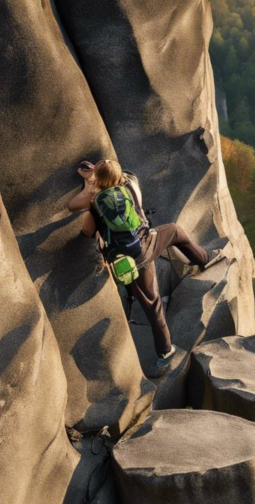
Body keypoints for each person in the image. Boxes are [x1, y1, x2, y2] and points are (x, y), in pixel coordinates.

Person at [68, 159, 220, 374]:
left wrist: (90, 186)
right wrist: (100, 174)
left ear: (100, 180)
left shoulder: (95, 205)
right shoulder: (130, 185)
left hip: (130, 261)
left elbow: (79, 217)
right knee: (175, 231)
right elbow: (123, 177)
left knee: (152, 304)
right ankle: (204, 259)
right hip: (148, 242)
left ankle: (166, 351)